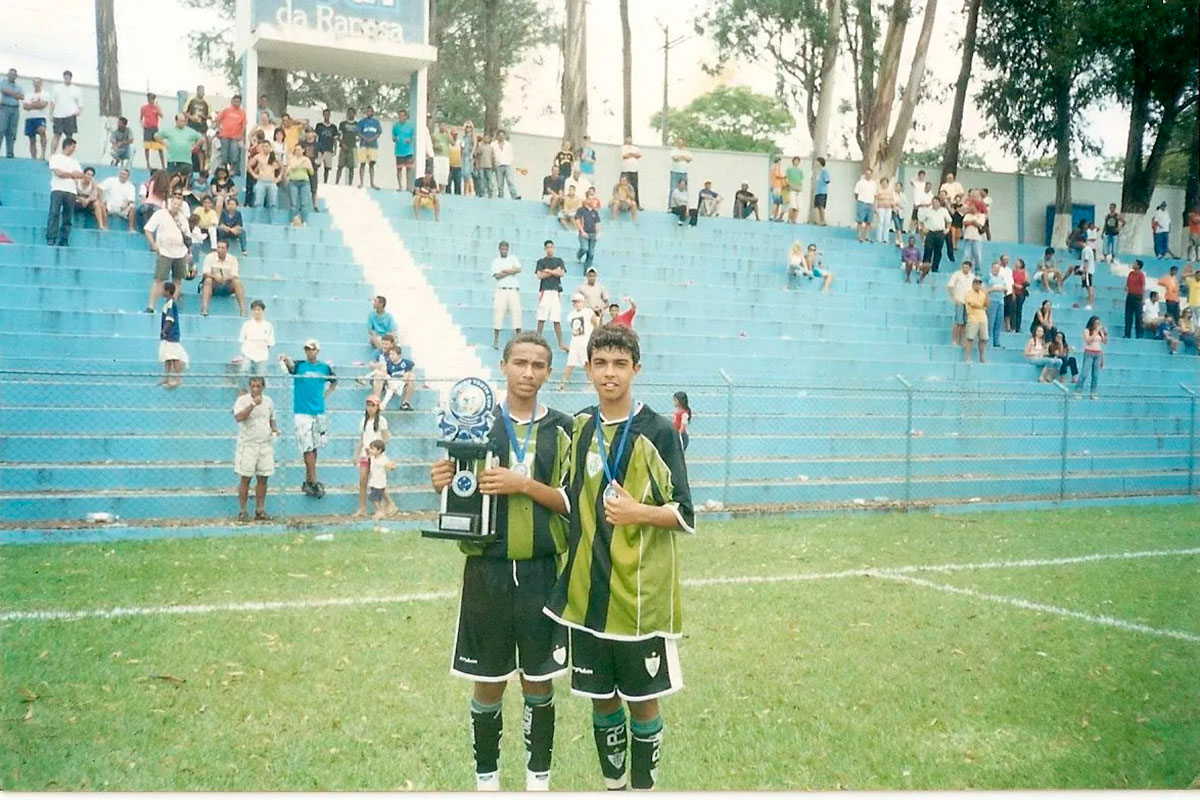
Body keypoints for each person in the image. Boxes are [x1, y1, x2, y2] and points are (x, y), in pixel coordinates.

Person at [544, 324, 694, 792]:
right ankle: (614, 789)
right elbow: (564, 496)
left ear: (636, 369)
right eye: (601, 364)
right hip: (587, 596)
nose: (610, 373)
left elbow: (684, 514)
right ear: (588, 369)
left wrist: (638, 512)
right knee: (601, 699)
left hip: (638, 600)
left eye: (620, 364)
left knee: (642, 702)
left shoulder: (659, 432)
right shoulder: (580, 427)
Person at [429, 332, 573, 792]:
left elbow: (572, 502)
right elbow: (459, 488)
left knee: (539, 682)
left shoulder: (564, 428)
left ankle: (538, 782)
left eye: (538, 365)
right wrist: (444, 480)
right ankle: (486, 782)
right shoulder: (474, 422)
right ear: (504, 366)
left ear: (548, 372)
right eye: (520, 363)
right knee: (487, 681)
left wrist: (523, 484)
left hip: (540, 571)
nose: (528, 373)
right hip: (487, 570)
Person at [281, 339, 337, 497]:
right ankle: (313, 481)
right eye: (307, 349)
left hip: (318, 411)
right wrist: (285, 359)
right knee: (307, 447)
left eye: (312, 349)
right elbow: (290, 367)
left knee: (314, 446)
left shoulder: (324, 368)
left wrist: (326, 394)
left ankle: (309, 480)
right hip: (302, 412)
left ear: (317, 351)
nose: (309, 352)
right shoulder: (300, 365)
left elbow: (334, 381)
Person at [233, 375, 279, 522]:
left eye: (258, 386)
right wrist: (253, 404)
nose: (255, 389)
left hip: (265, 444)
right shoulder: (242, 401)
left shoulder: (269, 401)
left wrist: (275, 430)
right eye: (252, 386)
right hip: (248, 444)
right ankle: (243, 511)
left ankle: (260, 510)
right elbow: (239, 417)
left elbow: (271, 418)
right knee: (245, 478)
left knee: (263, 478)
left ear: (263, 387)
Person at [143, 189, 192, 312]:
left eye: (179, 204)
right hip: (164, 251)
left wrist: (188, 252)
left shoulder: (183, 218)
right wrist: (153, 244)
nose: (176, 206)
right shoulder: (160, 214)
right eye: (174, 203)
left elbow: (188, 237)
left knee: (177, 280)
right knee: (159, 279)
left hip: (180, 252)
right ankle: (151, 306)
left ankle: (171, 306)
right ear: (170, 203)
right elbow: (148, 230)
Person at [352, 394, 390, 518]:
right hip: (365, 454)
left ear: (377, 407)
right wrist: (356, 454)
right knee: (363, 479)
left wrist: (378, 450)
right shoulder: (364, 421)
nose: (370, 408)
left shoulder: (382, 421)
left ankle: (384, 506)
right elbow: (361, 439)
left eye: (373, 405)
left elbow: (385, 438)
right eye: (368, 405)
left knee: (377, 481)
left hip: (375, 456)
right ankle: (362, 508)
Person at [46, 137, 85, 246]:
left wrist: (67, 174)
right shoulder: (55, 158)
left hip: (71, 191)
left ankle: (64, 239)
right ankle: (51, 237)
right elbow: (58, 173)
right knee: (54, 213)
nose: (74, 149)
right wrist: (72, 174)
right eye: (73, 146)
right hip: (57, 189)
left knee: (68, 216)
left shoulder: (75, 162)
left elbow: (80, 175)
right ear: (67, 146)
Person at [558, 293, 599, 390]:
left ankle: (591, 384)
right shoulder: (571, 315)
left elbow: (595, 325)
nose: (576, 304)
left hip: (586, 342)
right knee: (570, 364)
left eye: (578, 302)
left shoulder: (588, 312)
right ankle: (562, 384)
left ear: (583, 302)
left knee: (586, 363)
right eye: (575, 302)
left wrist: (593, 338)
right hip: (575, 343)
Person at [535, 240, 568, 350]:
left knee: (556, 319)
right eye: (548, 247)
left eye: (551, 247)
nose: (550, 249)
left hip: (555, 291)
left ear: (554, 248)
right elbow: (539, 275)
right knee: (541, 318)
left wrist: (548, 271)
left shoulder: (559, 260)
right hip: (544, 291)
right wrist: (554, 272)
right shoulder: (541, 261)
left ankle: (561, 343)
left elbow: (561, 273)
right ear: (545, 249)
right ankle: (537, 340)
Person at [199, 240, 246, 316]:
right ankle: (204, 309)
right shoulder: (209, 257)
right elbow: (205, 273)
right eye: (218, 247)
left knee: (237, 282)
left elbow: (235, 275)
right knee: (208, 280)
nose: (220, 250)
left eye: (222, 248)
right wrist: (215, 277)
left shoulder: (233, 259)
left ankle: (243, 310)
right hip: (214, 285)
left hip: (227, 285)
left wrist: (225, 278)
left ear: (227, 249)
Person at [370, 338, 416, 411]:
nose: (391, 356)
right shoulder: (387, 362)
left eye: (393, 354)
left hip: (400, 382)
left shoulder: (406, 363)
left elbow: (409, 373)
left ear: (399, 355)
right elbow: (384, 371)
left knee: (412, 377)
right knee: (379, 375)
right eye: (390, 354)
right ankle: (377, 402)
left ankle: (405, 403)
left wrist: (405, 377)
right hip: (389, 381)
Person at [492, 239, 523, 348]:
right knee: (498, 313)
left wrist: (505, 271)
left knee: (516, 312)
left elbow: (518, 269)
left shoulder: (513, 258)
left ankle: (519, 339)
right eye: (502, 249)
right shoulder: (496, 261)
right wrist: (510, 271)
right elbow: (497, 276)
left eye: (506, 249)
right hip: (501, 290)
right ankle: (496, 340)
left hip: (513, 289)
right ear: (499, 249)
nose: (504, 251)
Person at [158, 281, 187, 389]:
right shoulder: (167, 303)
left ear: (168, 291)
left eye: (163, 289)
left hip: (171, 336)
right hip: (168, 337)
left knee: (174, 357)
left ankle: (178, 378)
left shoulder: (171, 303)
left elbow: (170, 319)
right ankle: (166, 377)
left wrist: (164, 330)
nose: (161, 291)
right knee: (168, 357)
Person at [48, 70, 83, 155]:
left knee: (69, 137)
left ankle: (66, 156)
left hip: (70, 115)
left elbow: (80, 103)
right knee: (56, 135)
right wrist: (51, 114)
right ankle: (52, 155)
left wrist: (79, 111)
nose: (67, 80)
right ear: (63, 78)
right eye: (65, 78)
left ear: (71, 78)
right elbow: (52, 102)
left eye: (68, 78)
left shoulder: (76, 89)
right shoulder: (56, 88)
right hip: (58, 115)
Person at [237, 299, 275, 375]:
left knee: (260, 376)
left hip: (262, 356)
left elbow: (270, 343)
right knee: (244, 374)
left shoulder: (268, 325)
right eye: (254, 310)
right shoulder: (247, 324)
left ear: (263, 311)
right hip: (247, 354)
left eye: (258, 310)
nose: (256, 312)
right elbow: (243, 339)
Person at [248, 142, 281, 222]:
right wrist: (254, 175)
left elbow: (282, 167)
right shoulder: (258, 156)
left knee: (273, 203)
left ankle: (274, 221)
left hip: (271, 182)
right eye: (263, 146)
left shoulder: (274, 157)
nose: (265, 148)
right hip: (261, 181)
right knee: (258, 202)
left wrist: (279, 177)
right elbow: (249, 165)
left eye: (266, 146)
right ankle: (256, 220)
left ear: (270, 147)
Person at [1075, 316, 1107, 399]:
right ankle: (1078, 390)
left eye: (1098, 323)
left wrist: (1104, 334)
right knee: (1084, 373)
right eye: (1096, 323)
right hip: (1089, 353)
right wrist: (1095, 332)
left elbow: (1104, 342)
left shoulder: (1100, 331)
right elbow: (1088, 341)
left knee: (1095, 375)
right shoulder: (1087, 330)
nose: (1097, 325)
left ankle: (1093, 392)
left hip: (1098, 353)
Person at [99, 167, 137, 233]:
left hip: (123, 208)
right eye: (121, 173)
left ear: (128, 177)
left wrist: (125, 205)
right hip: (110, 206)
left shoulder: (131, 186)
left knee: (132, 207)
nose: (122, 175)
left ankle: (131, 229)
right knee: (101, 205)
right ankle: (105, 226)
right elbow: (99, 188)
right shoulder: (110, 180)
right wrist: (102, 199)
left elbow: (131, 200)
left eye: (124, 174)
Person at [920, 196, 952, 272]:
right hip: (930, 233)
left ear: (939, 203)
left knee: (938, 251)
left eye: (936, 202)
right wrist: (923, 229)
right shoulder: (928, 211)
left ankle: (935, 268)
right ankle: (925, 267)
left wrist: (947, 229)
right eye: (933, 202)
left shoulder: (944, 211)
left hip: (940, 233)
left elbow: (949, 221)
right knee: (928, 249)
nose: (934, 204)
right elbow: (921, 221)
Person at [946, 261, 974, 347]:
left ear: (970, 268)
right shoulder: (957, 274)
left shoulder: (972, 276)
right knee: (958, 322)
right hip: (959, 301)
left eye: (967, 267)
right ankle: (954, 340)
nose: (965, 269)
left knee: (965, 323)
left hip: (968, 303)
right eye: (963, 267)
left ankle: (961, 341)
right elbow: (949, 286)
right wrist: (954, 298)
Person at [286, 143, 314, 226]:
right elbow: (293, 167)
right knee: (293, 203)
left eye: (299, 150)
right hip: (293, 182)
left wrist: (308, 167)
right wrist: (301, 162)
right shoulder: (292, 158)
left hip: (304, 182)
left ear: (303, 150)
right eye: (296, 150)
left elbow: (311, 172)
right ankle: (292, 220)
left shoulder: (306, 159)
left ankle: (304, 220)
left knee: (304, 203)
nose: (297, 151)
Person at [963, 275, 989, 363]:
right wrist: (982, 307)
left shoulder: (983, 294)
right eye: (976, 283)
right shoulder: (969, 293)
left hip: (983, 318)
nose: (978, 285)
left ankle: (982, 357)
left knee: (983, 339)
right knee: (970, 338)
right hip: (973, 318)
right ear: (973, 284)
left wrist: (986, 294)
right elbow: (972, 304)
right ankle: (967, 357)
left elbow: (987, 304)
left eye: (979, 284)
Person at [22, 77, 49, 160]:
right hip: (30, 118)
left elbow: (43, 105)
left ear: (41, 84)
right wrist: (37, 104)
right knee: (32, 139)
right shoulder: (28, 95)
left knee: (42, 131)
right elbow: (25, 106)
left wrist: (31, 105)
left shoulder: (45, 94)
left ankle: (43, 155)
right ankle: (34, 157)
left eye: (38, 82)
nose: (36, 84)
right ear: (33, 84)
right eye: (35, 82)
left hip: (40, 117)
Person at [356, 106, 382, 189]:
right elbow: (358, 132)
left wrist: (371, 139)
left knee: (372, 164)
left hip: (373, 146)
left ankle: (372, 183)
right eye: (368, 111)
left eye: (370, 111)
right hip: (363, 145)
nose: (369, 113)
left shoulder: (376, 122)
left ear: (373, 113)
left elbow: (378, 133)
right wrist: (365, 139)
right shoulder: (362, 122)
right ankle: (361, 182)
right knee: (362, 163)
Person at [575, 189, 601, 269]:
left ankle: (587, 269)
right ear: (586, 200)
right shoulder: (581, 210)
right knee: (584, 248)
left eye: (593, 199)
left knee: (591, 253)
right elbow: (577, 220)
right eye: (589, 199)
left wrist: (598, 234)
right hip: (584, 233)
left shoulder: (595, 212)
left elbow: (597, 223)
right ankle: (578, 255)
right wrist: (582, 231)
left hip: (593, 234)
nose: (591, 201)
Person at [311, 108, 337, 184]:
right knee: (316, 165)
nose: (326, 116)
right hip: (320, 149)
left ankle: (325, 182)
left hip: (329, 149)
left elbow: (335, 139)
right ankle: (315, 181)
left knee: (327, 168)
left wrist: (335, 149)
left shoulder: (333, 127)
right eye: (325, 114)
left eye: (328, 114)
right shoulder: (319, 125)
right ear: (323, 115)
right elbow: (315, 137)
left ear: (330, 115)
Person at [392, 109, 416, 192]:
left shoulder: (410, 126)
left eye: (402, 115)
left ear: (406, 116)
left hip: (408, 151)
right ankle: (400, 186)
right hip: (399, 151)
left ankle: (408, 186)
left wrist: (409, 139)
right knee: (399, 169)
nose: (401, 117)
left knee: (409, 169)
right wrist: (395, 139)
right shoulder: (396, 126)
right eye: (399, 115)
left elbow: (413, 137)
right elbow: (393, 137)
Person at [492, 130, 520, 199]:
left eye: (502, 135)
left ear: (504, 136)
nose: (501, 137)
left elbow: (511, 154)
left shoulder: (508, 144)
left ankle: (514, 195)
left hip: (507, 165)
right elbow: (492, 155)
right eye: (499, 135)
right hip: (498, 165)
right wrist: (494, 163)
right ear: (497, 136)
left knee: (510, 181)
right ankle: (501, 196)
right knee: (500, 183)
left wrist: (510, 161)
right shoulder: (493, 144)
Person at [853, 167, 877, 243]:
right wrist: (860, 200)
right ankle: (859, 236)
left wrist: (874, 204)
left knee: (869, 221)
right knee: (860, 220)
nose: (868, 175)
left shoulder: (874, 184)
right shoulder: (860, 183)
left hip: (870, 203)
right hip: (862, 202)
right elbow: (856, 194)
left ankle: (867, 236)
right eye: (867, 174)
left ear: (872, 175)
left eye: (870, 174)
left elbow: (875, 195)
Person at [1124, 259, 1146, 339]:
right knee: (1128, 315)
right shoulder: (1130, 274)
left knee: (1138, 316)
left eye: (1135, 264)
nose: (1133, 265)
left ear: (1138, 266)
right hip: (1130, 295)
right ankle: (1127, 334)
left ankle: (1139, 334)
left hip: (1137, 297)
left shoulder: (1141, 275)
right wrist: (1126, 287)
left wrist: (1142, 298)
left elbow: (1143, 286)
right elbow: (1127, 284)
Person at [336, 108, 358, 186]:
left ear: (354, 114)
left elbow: (359, 136)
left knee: (351, 167)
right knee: (340, 166)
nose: (350, 114)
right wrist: (343, 144)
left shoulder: (357, 124)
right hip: (343, 147)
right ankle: (336, 183)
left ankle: (350, 184)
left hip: (352, 147)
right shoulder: (342, 124)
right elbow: (338, 136)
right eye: (348, 112)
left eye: (352, 113)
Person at [0, 69, 19, 157]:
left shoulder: (18, 87)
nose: (12, 76)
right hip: (4, 108)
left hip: (15, 109)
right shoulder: (2, 83)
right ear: (7, 75)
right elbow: (4, 91)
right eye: (10, 74)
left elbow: (21, 96)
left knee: (12, 131)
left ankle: (10, 152)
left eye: (14, 74)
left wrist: (10, 93)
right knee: (1, 129)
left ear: (16, 76)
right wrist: (15, 94)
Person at [668, 138, 693, 204]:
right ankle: (671, 206)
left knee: (684, 189)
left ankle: (684, 205)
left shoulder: (687, 152)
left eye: (681, 142)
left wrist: (681, 157)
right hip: (675, 172)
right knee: (673, 189)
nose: (680, 144)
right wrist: (684, 158)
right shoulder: (674, 151)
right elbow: (675, 158)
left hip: (684, 172)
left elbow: (690, 158)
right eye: (679, 142)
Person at [620, 136, 642, 208]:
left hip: (634, 170)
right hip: (625, 170)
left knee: (635, 187)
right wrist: (632, 154)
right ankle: (622, 204)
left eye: (631, 138)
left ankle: (636, 204)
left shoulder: (636, 148)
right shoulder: (624, 147)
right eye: (628, 138)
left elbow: (639, 155)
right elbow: (624, 156)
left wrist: (630, 154)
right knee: (623, 187)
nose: (630, 140)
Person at [474, 131, 496, 198]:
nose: (486, 139)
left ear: (489, 139)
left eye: (487, 138)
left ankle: (490, 193)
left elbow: (493, 157)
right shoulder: (480, 147)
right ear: (483, 138)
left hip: (489, 166)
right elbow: (477, 156)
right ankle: (481, 193)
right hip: (481, 166)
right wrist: (476, 164)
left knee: (490, 180)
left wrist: (494, 165)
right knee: (481, 180)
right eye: (485, 138)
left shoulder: (491, 147)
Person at [1010, 258, 1029, 333]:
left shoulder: (1025, 272)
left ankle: (1018, 327)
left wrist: (1023, 285)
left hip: (1021, 293)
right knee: (1013, 309)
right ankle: (1013, 326)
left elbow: (1026, 281)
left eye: (1017, 262)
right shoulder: (1012, 272)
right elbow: (1010, 282)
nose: (1016, 263)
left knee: (1019, 310)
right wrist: (1015, 285)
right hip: (1014, 292)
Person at [874, 177, 895, 244]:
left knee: (887, 223)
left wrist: (894, 207)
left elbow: (892, 199)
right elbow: (876, 199)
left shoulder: (890, 191)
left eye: (885, 182)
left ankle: (885, 238)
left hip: (888, 208)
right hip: (881, 208)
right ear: (881, 183)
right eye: (883, 182)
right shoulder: (879, 190)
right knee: (880, 222)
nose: (884, 184)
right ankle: (879, 238)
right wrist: (875, 207)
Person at [785, 156, 805, 224]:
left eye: (798, 161)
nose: (796, 162)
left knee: (798, 206)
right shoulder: (789, 169)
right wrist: (790, 185)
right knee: (792, 205)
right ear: (793, 161)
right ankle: (789, 219)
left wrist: (800, 187)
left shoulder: (800, 171)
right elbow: (787, 179)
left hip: (799, 190)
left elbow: (801, 180)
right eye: (795, 160)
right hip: (792, 189)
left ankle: (794, 220)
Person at [812, 157, 830, 225]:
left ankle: (824, 220)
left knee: (821, 206)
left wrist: (824, 181)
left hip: (823, 191)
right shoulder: (818, 172)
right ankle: (820, 220)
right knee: (819, 207)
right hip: (818, 191)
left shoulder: (824, 170)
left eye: (817, 162)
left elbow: (827, 180)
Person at [769, 156, 786, 222]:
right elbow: (777, 175)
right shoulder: (776, 166)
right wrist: (783, 177)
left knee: (777, 202)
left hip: (775, 185)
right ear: (778, 161)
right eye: (780, 161)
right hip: (777, 186)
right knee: (776, 202)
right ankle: (772, 215)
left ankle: (775, 216)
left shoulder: (772, 167)